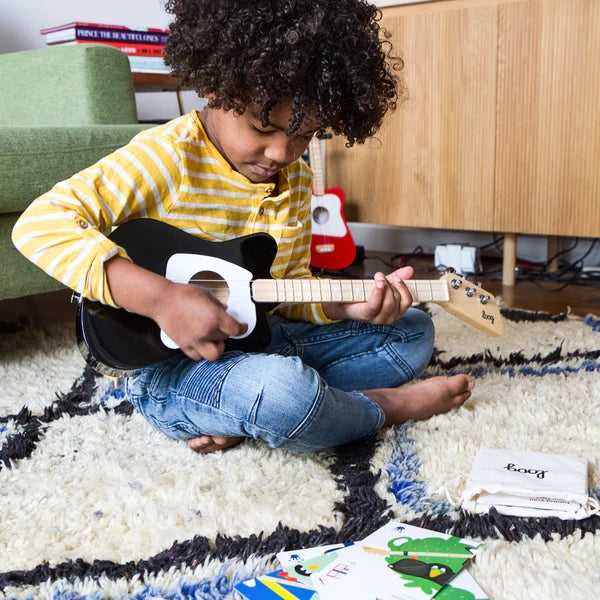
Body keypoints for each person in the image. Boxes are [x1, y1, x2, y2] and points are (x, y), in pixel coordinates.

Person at [12, 0, 473, 454]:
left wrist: (344, 310)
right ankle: (380, 408)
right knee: (284, 392)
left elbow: (286, 289)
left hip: (265, 341)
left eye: (302, 135)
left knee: (413, 332)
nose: (280, 153)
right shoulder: (163, 158)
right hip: (173, 370)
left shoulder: (292, 180)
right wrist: (163, 299)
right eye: (262, 128)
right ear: (217, 88)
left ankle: (257, 410)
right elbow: (38, 225)